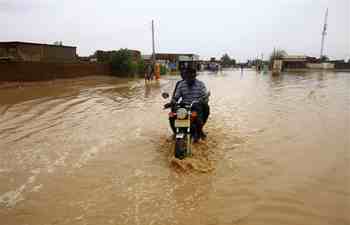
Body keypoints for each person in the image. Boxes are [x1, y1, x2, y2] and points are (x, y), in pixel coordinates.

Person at [167, 66, 210, 142]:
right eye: (188, 77)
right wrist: (172, 102)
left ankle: (199, 132)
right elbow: (176, 97)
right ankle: (175, 133)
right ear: (185, 76)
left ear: (195, 76)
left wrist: (203, 101)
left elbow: (205, 96)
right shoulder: (181, 84)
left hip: (196, 107)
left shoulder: (200, 84)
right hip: (184, 106)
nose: (190, 79)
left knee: (201, 116)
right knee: (171, 115)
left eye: (192, 77)